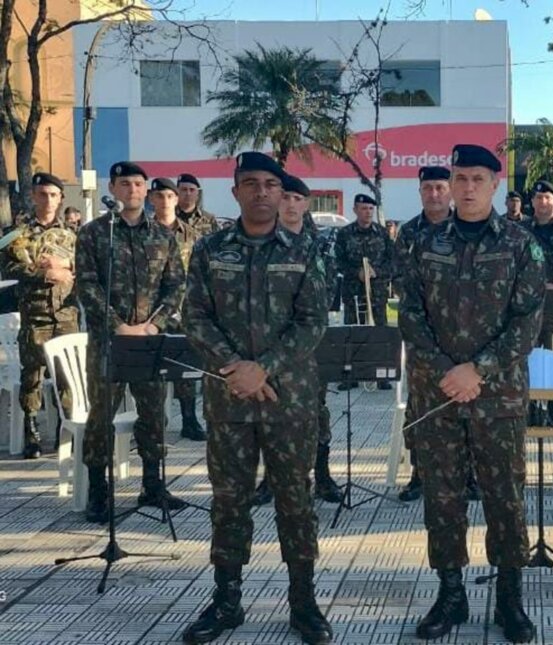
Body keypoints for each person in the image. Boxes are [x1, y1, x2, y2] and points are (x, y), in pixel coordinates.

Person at [182, 152, 331, 644]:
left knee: (295, 501)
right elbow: (196, 318)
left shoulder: (304, 249)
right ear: (235, 191)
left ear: (283, 193)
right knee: (229, 502)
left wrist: (263, 368)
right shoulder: (209, 250)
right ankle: (226, 601)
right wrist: (237, 369)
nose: (263, 192)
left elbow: (312, 322)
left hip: (288, 400)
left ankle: (303, 603)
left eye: (272, 184)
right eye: (252, 183)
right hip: (229, 399)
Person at [399, 144, 544, 643]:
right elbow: (410, 315)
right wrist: (447, 371)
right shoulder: (424, 243)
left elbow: (528, 323)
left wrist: (476, 370)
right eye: (459, 178)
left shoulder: (522, 244)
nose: (466, 188)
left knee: (505, 498)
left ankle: (510, 599)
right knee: (442, 498)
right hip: (437, 393)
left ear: (494, 184)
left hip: (497, 395)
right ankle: (450, 594)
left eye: (476, 179)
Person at [76, 162, 186, 523]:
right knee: (101, 415)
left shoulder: (163, 235)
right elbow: (87, 285)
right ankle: (98, 492)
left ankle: (152, 485)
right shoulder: (95, 233)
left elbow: (176, 286)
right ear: (113, 187)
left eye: (139, 185)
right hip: (110, 340)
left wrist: (155, 326)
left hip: (150, 341)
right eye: (125, 184)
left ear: (147, 191)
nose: (133, 191)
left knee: (153, 412)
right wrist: (118, 325)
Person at [251, 174, 344, 507]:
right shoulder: (260, 241)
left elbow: (327, 293)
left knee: (316, 410)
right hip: (265, 345)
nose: (290, 204)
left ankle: (321, 474)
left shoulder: (320, 245)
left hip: (308, 346)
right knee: (266, 409)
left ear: (306, 205)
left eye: (297, 199)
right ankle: (269, 478)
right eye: (285, 197)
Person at [394, 166, 480, 504]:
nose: (434, 194)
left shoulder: (466, 229)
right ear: (420, 192)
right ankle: (420, 474)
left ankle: (468, 474)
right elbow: (402, 282)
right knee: (420, 411)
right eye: (427, 188)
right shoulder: (409, 233)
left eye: (440, 188)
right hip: (423, 339)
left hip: (462, 338)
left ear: (450, 191)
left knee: (467, 407)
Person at [1, 172, 78, 459]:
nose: (48, 200)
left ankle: (64, 430)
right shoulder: (17, 233)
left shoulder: (72, 234)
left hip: (66, 314)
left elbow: (84, 268)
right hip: (34, 313)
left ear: (60, 199)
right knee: (32, 374)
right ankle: (31, 432)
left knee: (66, 377)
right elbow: (7, 269)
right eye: (42, 194)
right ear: (33, 196)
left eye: (53, 195)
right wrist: (43, 272)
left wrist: (65, 265)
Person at [147, 177, 208, 443]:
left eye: (169, 196)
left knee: (185, 368)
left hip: (186, 310)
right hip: (151, 312)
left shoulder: (191, 234)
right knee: (152, 368)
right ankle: (154, 420)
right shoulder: (143, 233)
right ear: (152, 199)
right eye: (159, 196)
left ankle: (189, 419)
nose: (165, 201)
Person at [174, 173, 221, 441]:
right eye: (183, 189)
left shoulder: (209, 222)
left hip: (200, 299)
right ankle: (187, 417)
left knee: (201, 359)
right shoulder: (168, 221)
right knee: (181, 359)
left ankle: (205, 416)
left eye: (192, 189)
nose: (187, 194)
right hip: (172, 300)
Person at [335, 193, 395, 389]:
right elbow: (338, 261)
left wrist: (376, 272)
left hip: (377, 292)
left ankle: (381, 376)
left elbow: (393, 261)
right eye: (363, 208)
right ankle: (351, 375)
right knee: (352, 332)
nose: (368, 212)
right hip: (353, 291)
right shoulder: (344, 234)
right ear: (355, 210)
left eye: (370, 209)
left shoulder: (382, 233)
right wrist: (356, 272)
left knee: (379, 333)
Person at [523, 180, 553, 428]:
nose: (542, 202)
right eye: (538, 198)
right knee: (528, 356)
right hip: (527, 304)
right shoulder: (521, 231)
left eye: (547, 198)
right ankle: (531, 408)